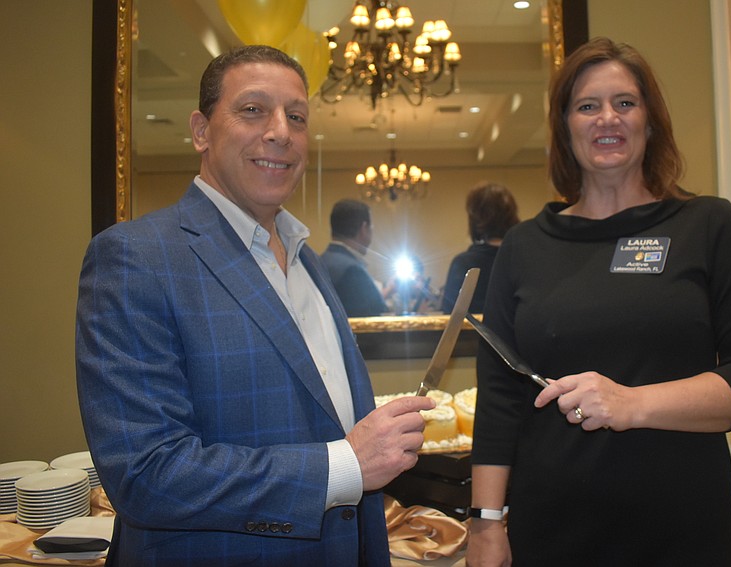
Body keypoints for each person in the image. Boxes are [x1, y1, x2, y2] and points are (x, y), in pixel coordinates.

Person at [75, 45, 434, 567]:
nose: (281, 132)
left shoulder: (308, 262)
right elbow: (146, 473)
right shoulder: (135, 257)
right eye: (252, 110)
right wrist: (346, 464)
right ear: (201, 130)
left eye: (296, 116)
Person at [466, 37, 731, 566]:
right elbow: (501, 400)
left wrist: (630, 404)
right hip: (550, 526)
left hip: (680, 524)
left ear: (651, 120)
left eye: (625, 102)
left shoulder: (710, 226)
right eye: (587, 106)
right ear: (565, 126)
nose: (606, 119)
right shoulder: (525, 245)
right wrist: (485, 525)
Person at [440, 182, 519, 314]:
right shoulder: (525, 258)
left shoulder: (463, 263)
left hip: (471, 335)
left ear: (475, 217)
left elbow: (449, 318)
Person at [321, 199, 390, 317]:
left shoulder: (319, 261)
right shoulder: (352, 271)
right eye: (371, 228)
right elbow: (375, 315)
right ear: (364, 228)